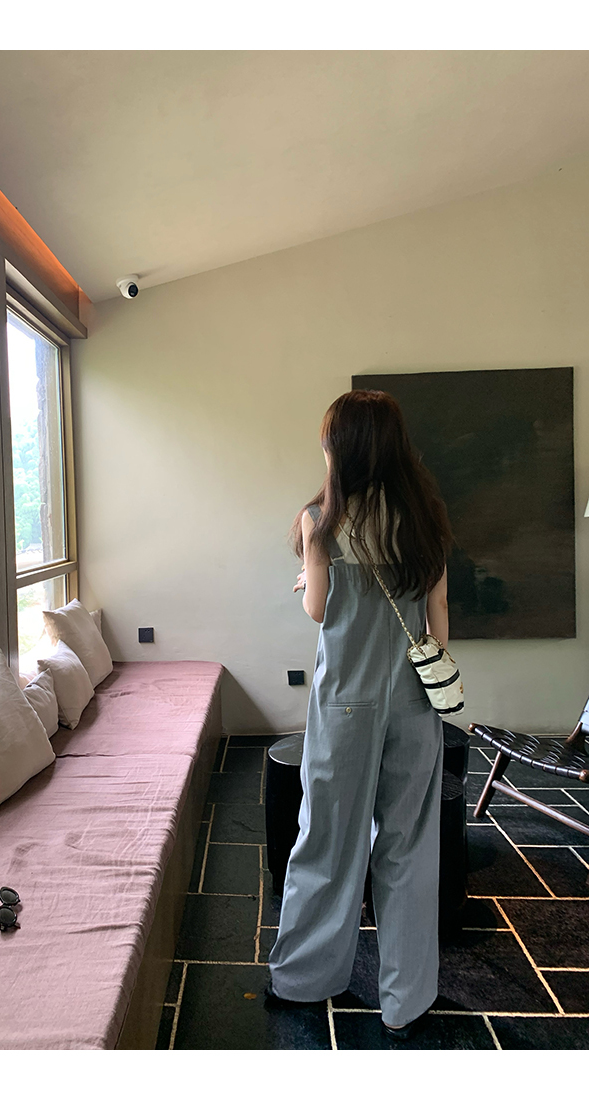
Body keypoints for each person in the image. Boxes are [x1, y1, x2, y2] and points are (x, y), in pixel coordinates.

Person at [267, 389, 453, 1042]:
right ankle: (406, 999)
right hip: (414, 704)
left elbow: (320, 610)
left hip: (346, 704)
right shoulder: (425, 519)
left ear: (339, 447)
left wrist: (314, 580)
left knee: (327, 840)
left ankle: (305, 978)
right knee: (408, 847)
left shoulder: (321, 520)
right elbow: (438, 625)